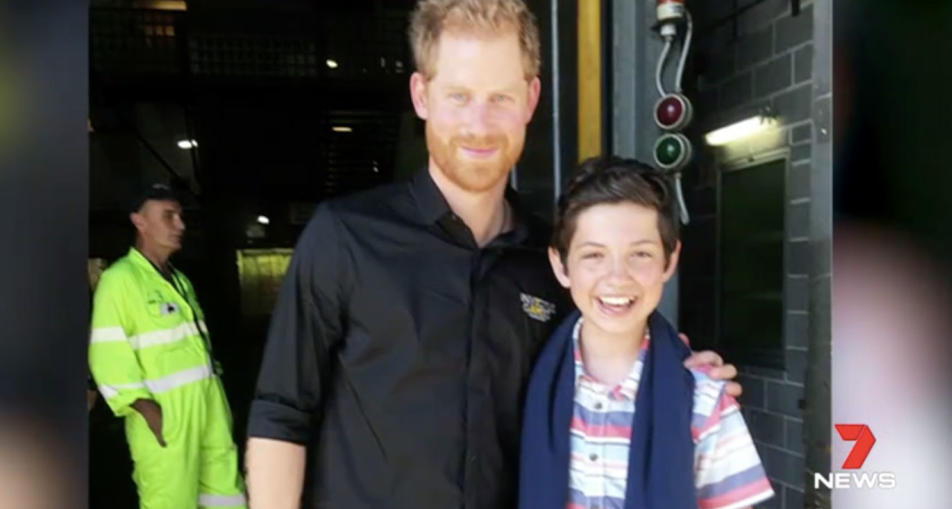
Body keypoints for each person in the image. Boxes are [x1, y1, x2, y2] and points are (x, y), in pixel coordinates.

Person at [245, 2, 741, 508]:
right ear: (421, 95)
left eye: (500, 97)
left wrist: (684, 377)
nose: (479, 125)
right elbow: (282, 411)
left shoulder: (554, 264)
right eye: (458, 96)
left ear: (530, 99)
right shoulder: (345, 237)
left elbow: (611, 357)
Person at [519, 157, 774, 509]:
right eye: (594, 255)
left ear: (669, 262)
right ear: (561, 266)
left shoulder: (702, 399)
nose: (617, 277)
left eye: (640, 254)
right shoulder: (525, 380)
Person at [88, 183, 247, 509]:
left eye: (181, 216)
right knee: (170, 501)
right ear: (140, 221)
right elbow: (107, 356)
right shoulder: (121, 280)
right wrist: (150, 413)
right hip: (167, 416)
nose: (181, 225)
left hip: (208, 409)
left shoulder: (180, 281)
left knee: (226, 496)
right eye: (169, 216)